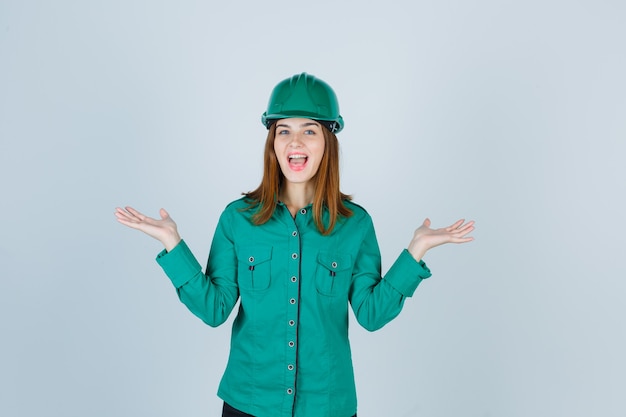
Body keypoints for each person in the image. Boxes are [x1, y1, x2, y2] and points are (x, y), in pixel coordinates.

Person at [115, 72, 474, 417]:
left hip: (327, 406)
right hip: (249, 403)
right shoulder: (237, 219)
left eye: (309, 130)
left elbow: (371, 313)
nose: (295, 142)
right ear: (272, 142)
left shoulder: (355, 224)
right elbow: (214, 309)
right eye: (283, 130)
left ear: (328, 143)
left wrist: (416, 251)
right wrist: (172, 242)